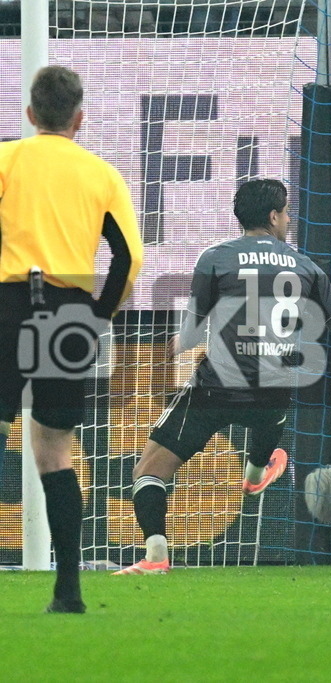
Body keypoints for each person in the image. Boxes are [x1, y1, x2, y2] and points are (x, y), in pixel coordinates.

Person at [114, 178, 331, 575]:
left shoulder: (216, 257)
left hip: (218, 386)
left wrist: (158, 355)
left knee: (148, 471)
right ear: (273, 216)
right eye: (285, 212)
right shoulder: (307, 266)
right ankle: (254, 474)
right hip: (278, 386)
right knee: (271, 413)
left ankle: (156, 557)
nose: (287, 219)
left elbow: (193, 333)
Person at [0, 66, 144, 613]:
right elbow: (128, 258)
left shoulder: (7, 160)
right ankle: (68, 590)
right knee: (55, 454)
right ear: (79, 118)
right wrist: (98, 316)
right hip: (71, 317)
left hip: (9, 303)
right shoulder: (100, 174)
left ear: (31, 115)